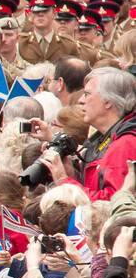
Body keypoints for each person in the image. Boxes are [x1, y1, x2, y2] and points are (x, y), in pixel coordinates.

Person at [48, 66, 136, 201]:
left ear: (108, 102)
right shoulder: (106, 136)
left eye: (87, 94)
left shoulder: (125, 144)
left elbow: (111, 203)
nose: (80, 100)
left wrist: (63, 181)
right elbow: (96, 187)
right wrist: (73, 175)